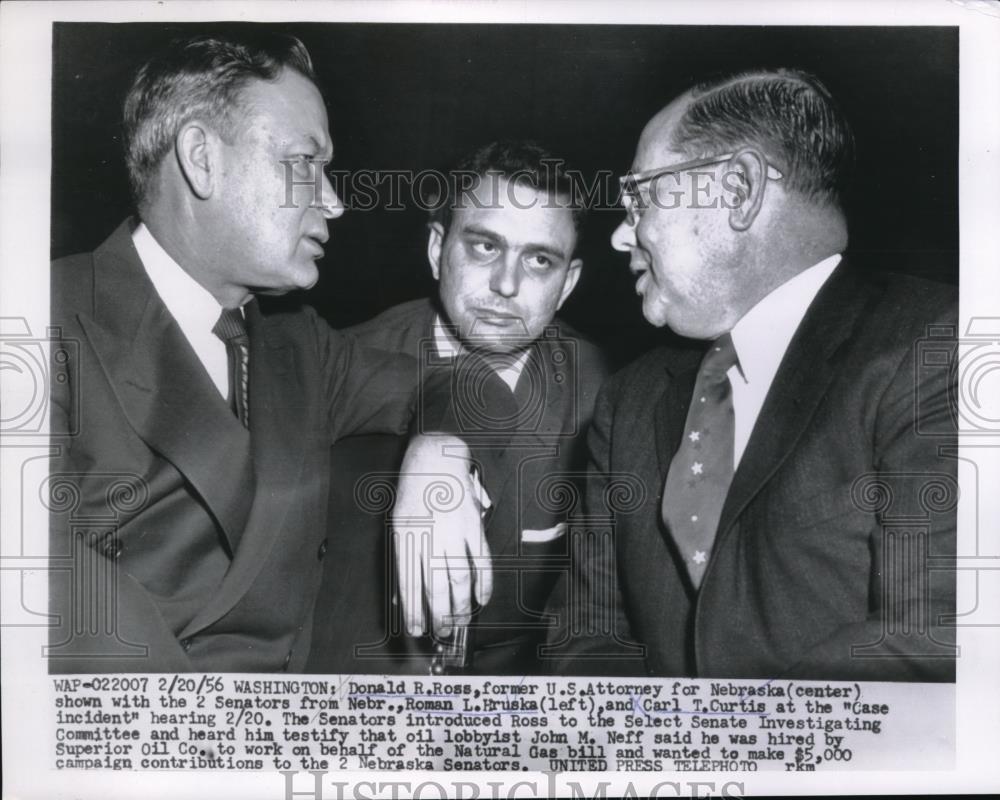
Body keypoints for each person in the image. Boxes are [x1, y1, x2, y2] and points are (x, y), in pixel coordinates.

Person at [48, 32, 448, 673]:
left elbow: (454, 385)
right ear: (202, 159)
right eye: (304, 163)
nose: (334, 201)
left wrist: (441, 450)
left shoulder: (302, 345)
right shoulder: (39, 316)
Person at [548, 68, 957, 681]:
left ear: (735, 190)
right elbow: (583, 638)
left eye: (638, 197)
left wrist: (728, 746)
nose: (617, 234)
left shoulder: (939, 347)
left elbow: (939, 637)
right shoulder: (627, 401)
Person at [307, 142, 607, 674]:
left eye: (539, 260)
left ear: (569, 285)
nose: (506, 285)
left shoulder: (605, 395)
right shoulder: (342, 367)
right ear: (436, 249)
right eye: (485, 247)